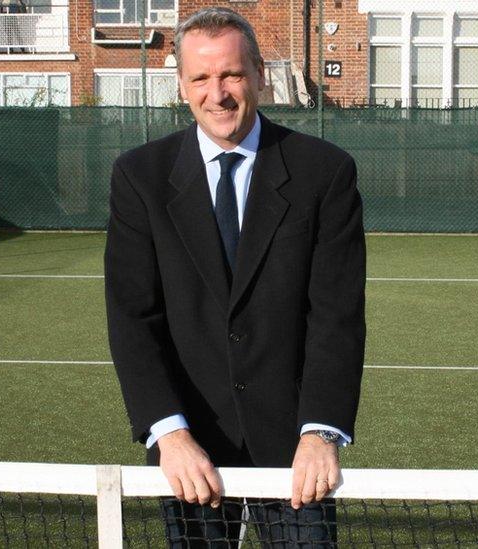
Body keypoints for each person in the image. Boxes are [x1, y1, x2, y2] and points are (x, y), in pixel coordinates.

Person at [104, 7, 365, 546]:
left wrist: (319, 432)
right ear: (181, 85)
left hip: (296, 453)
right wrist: (169, 433)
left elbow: (336, 316)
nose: (216, 93)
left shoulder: (325, 172)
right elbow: (133, 317)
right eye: (200, 77)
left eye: (231, 74)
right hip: (189, 448)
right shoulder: (139, 177)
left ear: (260, 76)